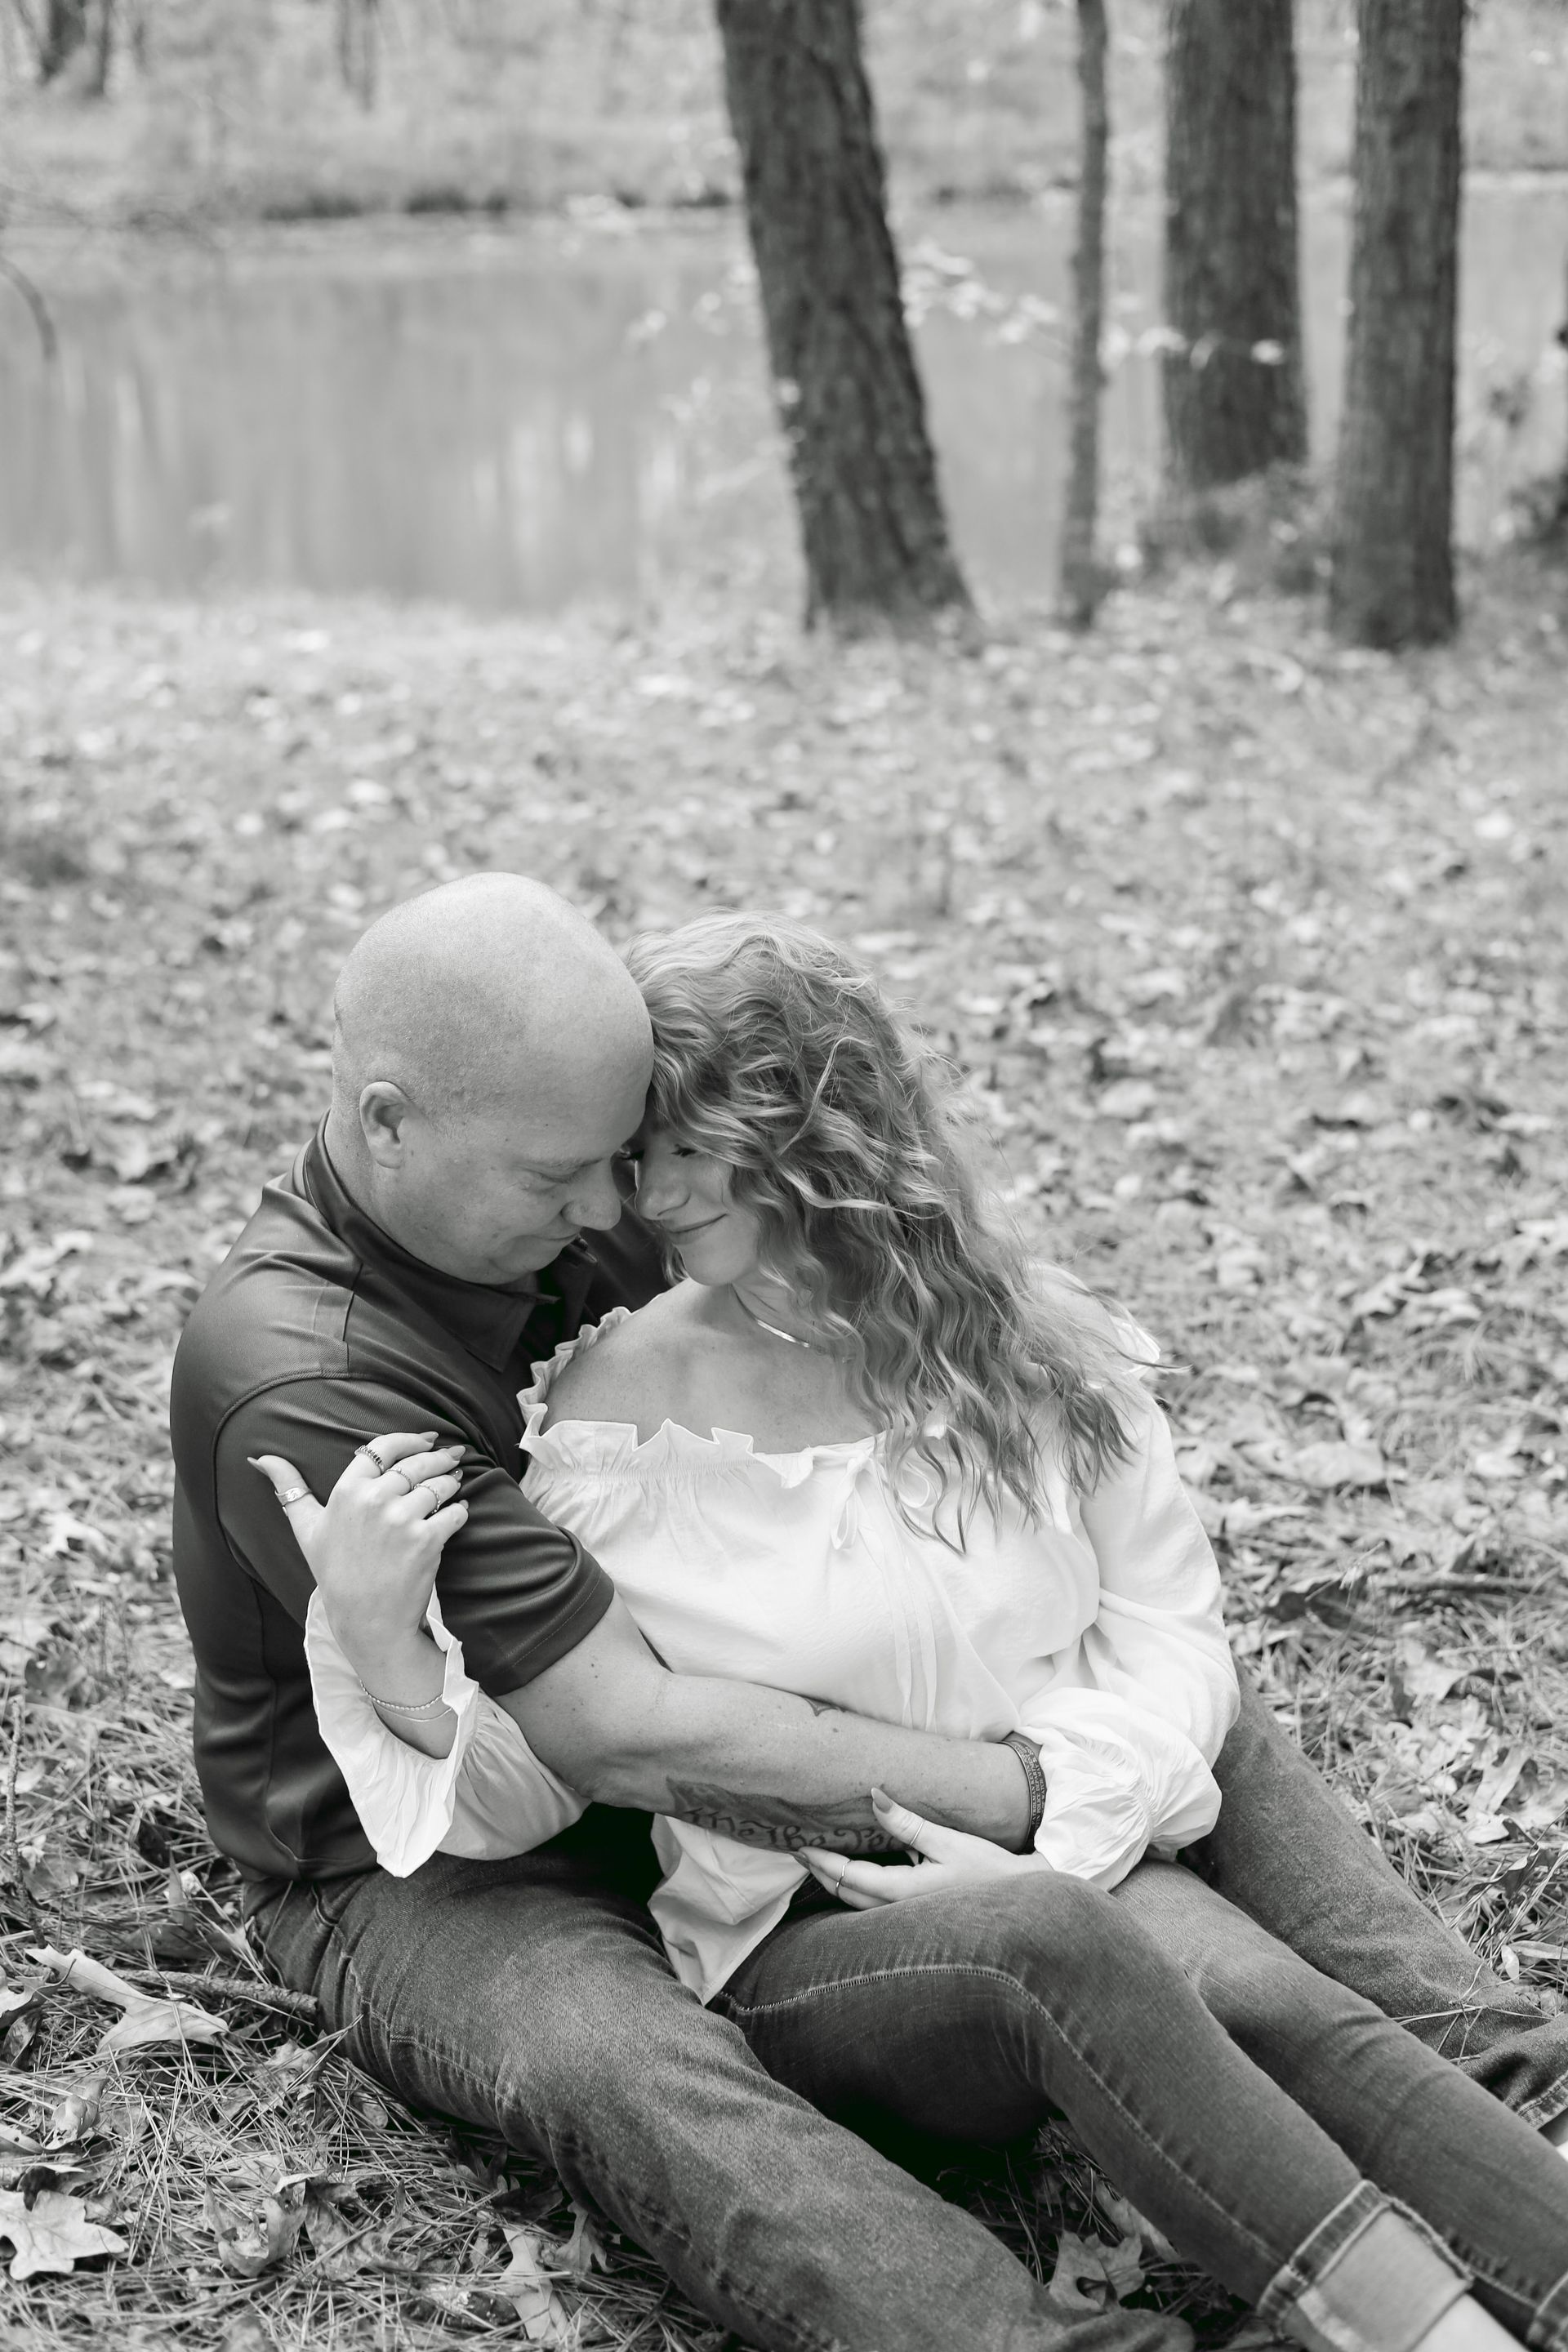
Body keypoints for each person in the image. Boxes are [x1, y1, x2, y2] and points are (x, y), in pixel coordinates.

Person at [172, 875, 1568, 2352]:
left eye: (634, 1154)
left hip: (716, 1763)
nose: (615, 1212)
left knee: (1163, 1685)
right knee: (620, 2057)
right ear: (390, 1124)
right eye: (565, 1177)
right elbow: (610, 1732)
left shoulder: (601, 1191)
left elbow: (852, 1232)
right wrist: (1027, 1793)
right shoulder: (308, 1376)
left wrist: (1080, 1757)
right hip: (421, 1850)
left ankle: (1488, 2079)